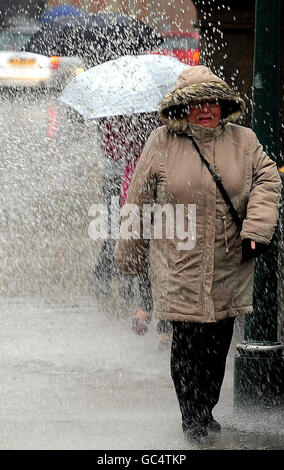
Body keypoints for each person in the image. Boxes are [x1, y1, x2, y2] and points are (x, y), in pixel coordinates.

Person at [114, 65, 282, 441]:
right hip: (178, 262)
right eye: (195, 103)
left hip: (227, 264)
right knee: (188, 342)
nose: (205, 109)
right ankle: (192, 417)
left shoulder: (245, 141)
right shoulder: (160, 142)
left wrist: (256, 231)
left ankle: (205, 407)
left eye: (212, 102)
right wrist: (129, 254)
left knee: (217, 344)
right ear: (182, 108)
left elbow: (267, 182)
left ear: (223, 105)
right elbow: (138, 200)